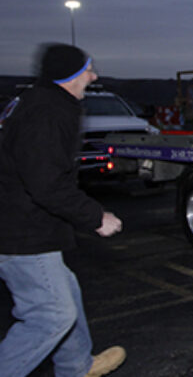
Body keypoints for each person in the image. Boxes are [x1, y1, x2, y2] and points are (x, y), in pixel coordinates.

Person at [0, 44, 126, 377]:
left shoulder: (42, 102)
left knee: (66, 289)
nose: (94, 76)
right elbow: (46, 184)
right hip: (20, 232)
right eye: (88, 69)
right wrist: (96, 217)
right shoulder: (46, 113)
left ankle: (76, 366)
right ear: (69, 76)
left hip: (28, 225)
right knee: (51, 314)